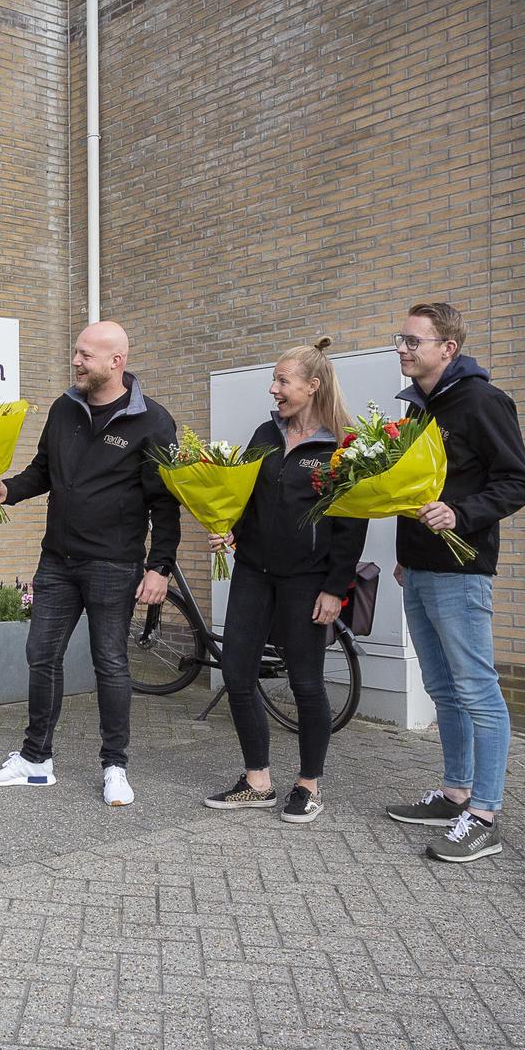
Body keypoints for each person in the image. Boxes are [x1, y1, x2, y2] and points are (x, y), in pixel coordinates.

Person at [0, 321, 180, 806]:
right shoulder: (64, 408)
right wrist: (8, 490)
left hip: (113, 565)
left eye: (86, 355)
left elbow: (165, 502)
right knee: (41, 656)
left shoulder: (152, 421)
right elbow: (43, 471)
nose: (76, 361)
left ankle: (115, 766)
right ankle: (35, 759)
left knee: (110, 663)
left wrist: (160, 566)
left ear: (116, 362)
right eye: (76, 352)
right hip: (58, 561)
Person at [380, 304, 525, 862]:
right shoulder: (417, 407)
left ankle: (485, 813)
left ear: (448, 348)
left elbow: (519, 482)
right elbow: (410, 488)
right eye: (401, 338)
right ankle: (455, 792)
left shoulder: (482, 401)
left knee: (476, 690)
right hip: (419, 568)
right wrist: (406, 555)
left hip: (462, 571)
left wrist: (461, 515)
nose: (403, 348)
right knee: (443, 688)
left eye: (414, 340)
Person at [202, 338, 367, 825]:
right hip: (254, 571)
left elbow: (351, 522)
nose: (273, 389)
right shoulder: (264, 434)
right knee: (236, 673)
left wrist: (336, 587)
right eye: (274, 380)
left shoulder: (342, 446)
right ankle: (257, 781)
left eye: (282, 381)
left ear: (312, 386)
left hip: (307, 580)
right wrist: (226, 528)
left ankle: (308, 785)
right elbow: (246, 495)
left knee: (306, 683)